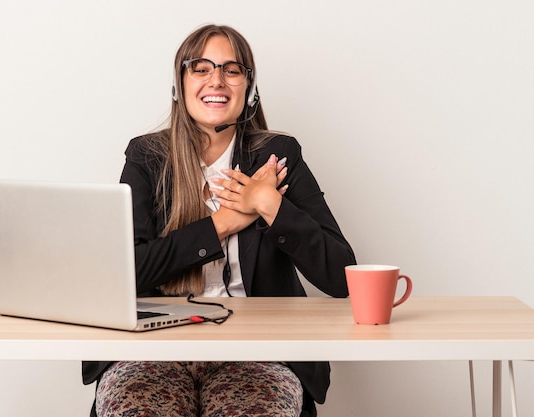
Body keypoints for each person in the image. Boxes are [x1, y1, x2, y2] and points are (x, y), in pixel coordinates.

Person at [82, 24, 356, 417]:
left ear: (249, 86)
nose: (217, 80)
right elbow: (125, 272)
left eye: (232, 69)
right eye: (201, 67)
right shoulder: (146, 157)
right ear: (179, 84)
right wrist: (223, 222)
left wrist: (269, 204)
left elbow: (341, 276)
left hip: (258, 352)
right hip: (152, 351)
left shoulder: (277, 158)